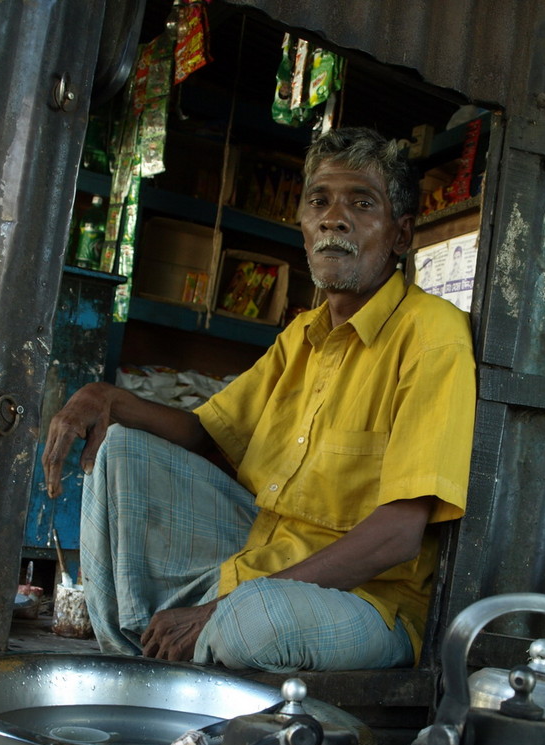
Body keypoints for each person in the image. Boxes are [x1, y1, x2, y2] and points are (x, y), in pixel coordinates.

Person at [42, 127, 476, 672]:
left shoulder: (431, 336)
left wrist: (224, 606)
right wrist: (107, 399)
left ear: (401, 235)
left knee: (255, 620)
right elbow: (205, 431)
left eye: (361, 204)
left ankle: (186, 644)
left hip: (368, 602)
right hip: (260, 558)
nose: (333, 218)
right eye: (319, 201)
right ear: (302, 224)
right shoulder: (302, 336)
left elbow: (398, 537)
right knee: (123, 452)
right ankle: (128, 662)